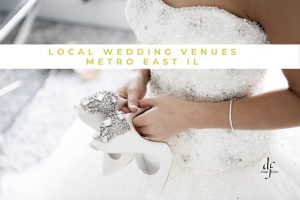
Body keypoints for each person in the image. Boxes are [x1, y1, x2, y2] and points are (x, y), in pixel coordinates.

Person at [1, 0, 300, 199]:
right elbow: (160, 30)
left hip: (227, 160)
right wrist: (141, 73)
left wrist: (189, 116)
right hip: (142, 137)